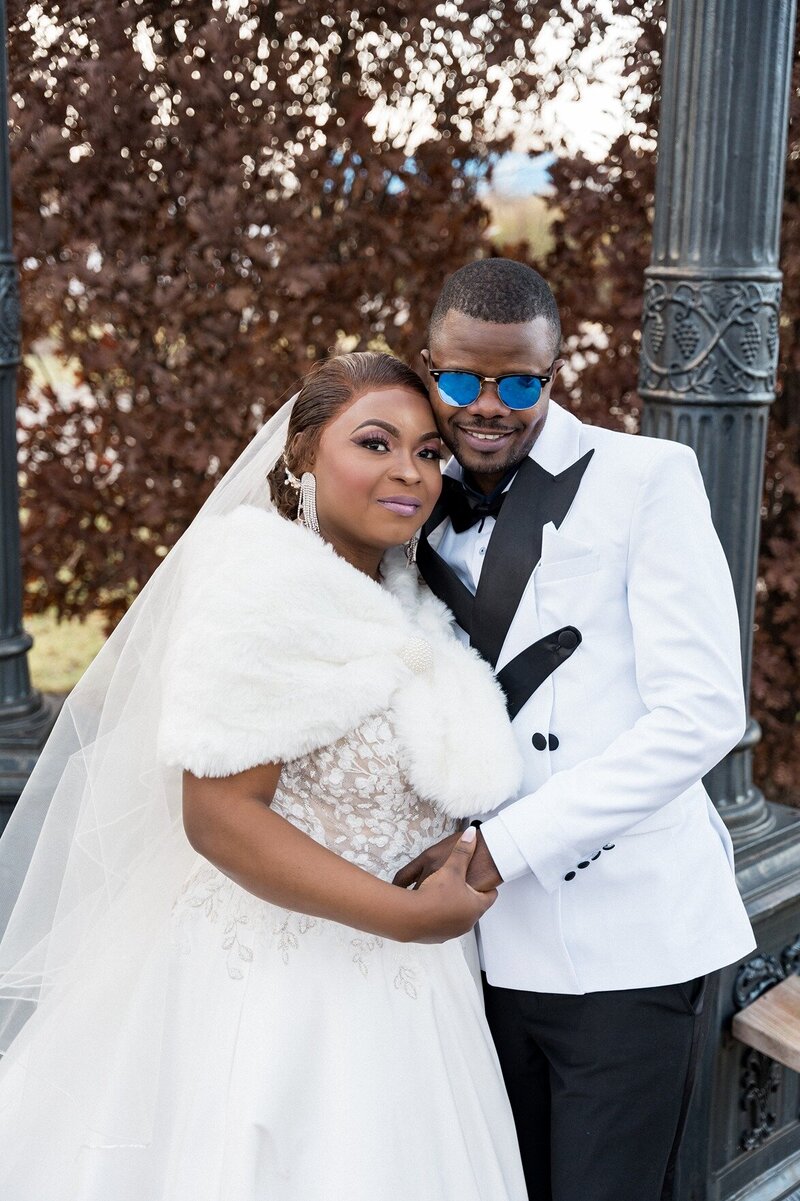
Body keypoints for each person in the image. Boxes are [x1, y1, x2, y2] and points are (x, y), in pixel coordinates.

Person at [0, 352, 529, 1201]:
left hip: (414, 995)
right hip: (275, 986)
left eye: (430, 453)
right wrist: (404, 916)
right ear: (302, 456)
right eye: (375, 442)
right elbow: (219, 816)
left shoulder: (412, 602)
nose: (411, 472)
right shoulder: (260, 587)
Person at [394, 258, 757, 1201]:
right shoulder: (405, 501)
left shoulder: (647, 477)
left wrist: (502, 848)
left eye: (520, 382)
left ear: (554, 371)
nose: (489, 405)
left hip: (624, 941)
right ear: (428, 365)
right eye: (462, 379)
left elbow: (704, 712)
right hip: (465, 947)